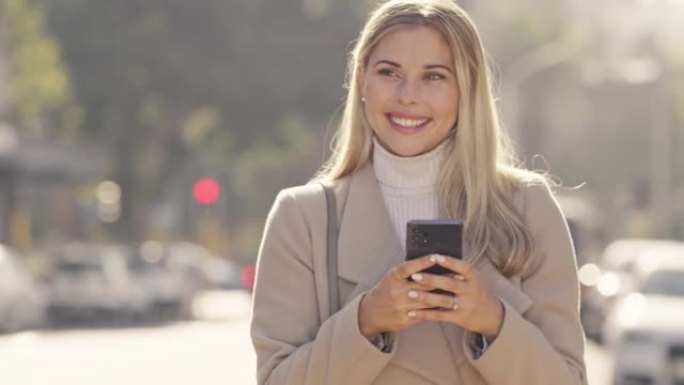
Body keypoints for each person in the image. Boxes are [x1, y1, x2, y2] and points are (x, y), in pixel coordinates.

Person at [250, 0, 588, 384]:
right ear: (362, 79)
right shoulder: (304, 218)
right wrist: (367, 321)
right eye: (389, 72)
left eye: (434, 76)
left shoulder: (527, 207)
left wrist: (493, 321)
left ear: (467, 87)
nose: (407, 95)